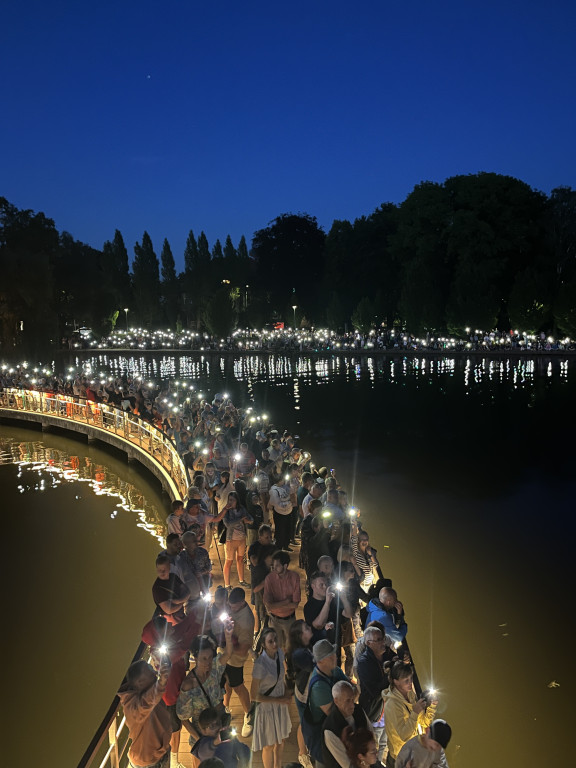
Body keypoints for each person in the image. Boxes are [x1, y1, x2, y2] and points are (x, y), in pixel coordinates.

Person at [141, 613, 201, 766]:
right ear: (160, 634)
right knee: (175, 729)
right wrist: (196, 624)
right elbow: (183, 646)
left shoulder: (162, 645)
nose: (170, 625)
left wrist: (193, 616)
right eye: (166, 626)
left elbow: (179, 630)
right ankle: (174, 760)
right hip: (170, 697)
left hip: (175, 690)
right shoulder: (163, 654)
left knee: (178, 725)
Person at [177, 629, 234, 740]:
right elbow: (183, 718)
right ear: (195, 658)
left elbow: (228, 653)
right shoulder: (189, 685)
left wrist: (228, 636)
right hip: (204, 734)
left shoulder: (214, 668)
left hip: (221, 725)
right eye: (204, 658)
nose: (208, 662)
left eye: (210, 657)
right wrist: (200, 740)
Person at [301, 640, 349, 765]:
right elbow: (335, 714)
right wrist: (349, 697)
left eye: (334, 653)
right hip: (322, 736)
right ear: (320, 661)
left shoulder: (335, 671)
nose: (335, 656)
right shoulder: (318, 687)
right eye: (331, 656)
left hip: (335, 730)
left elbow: (351, 691)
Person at [118, 658, 172, 768]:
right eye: (150, 669)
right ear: (140, 682)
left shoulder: (149, 690)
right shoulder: (132, 706)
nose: (154, 672)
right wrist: (161, 682)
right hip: (147, 763)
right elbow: (144, 705)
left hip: (161, 752)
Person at [250, 627, 292, 768]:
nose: (274, 644)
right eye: (270, 642)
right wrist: (279, 700)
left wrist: (286, 692)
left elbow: (282, 677)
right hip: (267, 706)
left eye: (275, 640)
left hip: (279, 702)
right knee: (269, 744)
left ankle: (277, 766)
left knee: (281, 740)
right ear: (263, 644)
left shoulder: (279, 653)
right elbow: (253, 695)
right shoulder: (260, 665)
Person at [384, 662, 437, 768]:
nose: (410, 683)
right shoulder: (392, 705)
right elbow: (404, 735)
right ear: (396, 682)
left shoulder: (410, 694)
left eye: (411, 678)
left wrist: (431, 707)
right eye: (406, 680)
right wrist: (415, 712)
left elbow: (423, 722)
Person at [223, 587, 255, 737]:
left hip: (235, 660)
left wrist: (228, 644)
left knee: (238, 686)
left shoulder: (247, 621)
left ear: (242, 602)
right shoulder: (233, 609)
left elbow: (243, 649)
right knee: (225, 683)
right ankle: (225, 708)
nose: (230, 608)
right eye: (229, 605)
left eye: (233, 606)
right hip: (225, 656)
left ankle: (248, 714)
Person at [322, 680, 373, 768]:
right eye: (347, 701)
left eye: (353, 699)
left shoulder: (358, 710)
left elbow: (371, 736)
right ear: (336, 701)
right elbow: (347, 765)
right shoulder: (330, 729)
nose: (352, 705)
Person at [285, 620, 315, 768]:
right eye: (306, 628)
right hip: (304, 694)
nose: (310, 629)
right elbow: (314, 666)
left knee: (306, 722)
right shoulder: (299, 654)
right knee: (304, 723)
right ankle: (302, 754)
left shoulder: (304, 648)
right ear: (299, 635)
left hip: (308, 691)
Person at [357, 626, 389, 761]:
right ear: (368, 643)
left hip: (385, 711)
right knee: (375, 746)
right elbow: (375, 691)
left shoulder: (384, 655)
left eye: (382, 638)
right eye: (379, 640)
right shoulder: (364, 663)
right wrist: (389, 676)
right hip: (374, 713)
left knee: (383, 744)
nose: (383, 642)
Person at [263, 550, 301, 649]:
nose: (274, 568)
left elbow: (295, 604)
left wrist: (276, 605)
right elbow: (268, 605)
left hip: (290, 620)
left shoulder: (294, 577)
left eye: (277, 566)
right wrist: (286, 602)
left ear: (285, 566)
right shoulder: (269, 579)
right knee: (275, 649)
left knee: (291, 648)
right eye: (273, 566)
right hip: (274, 620)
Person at [304, 572, 353, 648]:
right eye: (321, 585)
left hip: (335, 643)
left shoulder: (334, 600)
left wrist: (344, 598)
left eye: (326, 584)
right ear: (313, 586)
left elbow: (348, 614)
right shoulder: (309, 606)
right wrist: (327, 603)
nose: (325, 587)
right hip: (320, 646)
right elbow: (318, 625)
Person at [220, 491, 252, 588]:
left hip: (241, 538)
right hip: (231, 539)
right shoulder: (226, 511)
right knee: (229, 561)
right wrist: (241, 520)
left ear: (236, 501)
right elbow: (228, 524)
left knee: (240, 559)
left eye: (232, 500)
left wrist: (249, 520)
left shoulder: (241, 509)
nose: (230, 502)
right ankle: (227, 584)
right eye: (229, 500)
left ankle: (241, 580)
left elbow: (250, 518)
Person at [248, 524, 275, 632]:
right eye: (267, 537)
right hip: (258, 580)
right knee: (257, 606)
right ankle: (257, 630)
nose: (269, 539)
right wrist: (266, 560)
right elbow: (254, 562)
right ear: (260, 537)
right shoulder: (254, 547)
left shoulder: (272, 547)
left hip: (269, 582)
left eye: (270, 537)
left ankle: (266, 629)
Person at [175, 531, 212, 606]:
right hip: (191, 586)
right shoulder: (181, 557)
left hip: (204, 582)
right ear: (186, 544)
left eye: (196, 540)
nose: (196, 543)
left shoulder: (203, 552)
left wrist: (202, 573)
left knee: (206, 603)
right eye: (193, 541)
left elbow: (209, 567)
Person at [152, 554, 190, 625]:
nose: (162, 572)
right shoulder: (157, 588)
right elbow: (169, 610)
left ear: (169, 568)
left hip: (181, 614)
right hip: (171, 621)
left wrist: (177, 601)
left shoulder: (174, 577)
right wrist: (182, 601)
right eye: (159, 570)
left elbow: (187, 592)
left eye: (164, 569)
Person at [269, 477, 293, 551]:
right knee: (280, 531)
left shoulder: (282, 488)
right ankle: (278, 548)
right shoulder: (274, 490)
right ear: (280, 481)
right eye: (283, 480)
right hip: (279, 513)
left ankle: (284, 545)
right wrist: (288, 501)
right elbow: (276, 502)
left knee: (285, 529)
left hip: (286, 512)